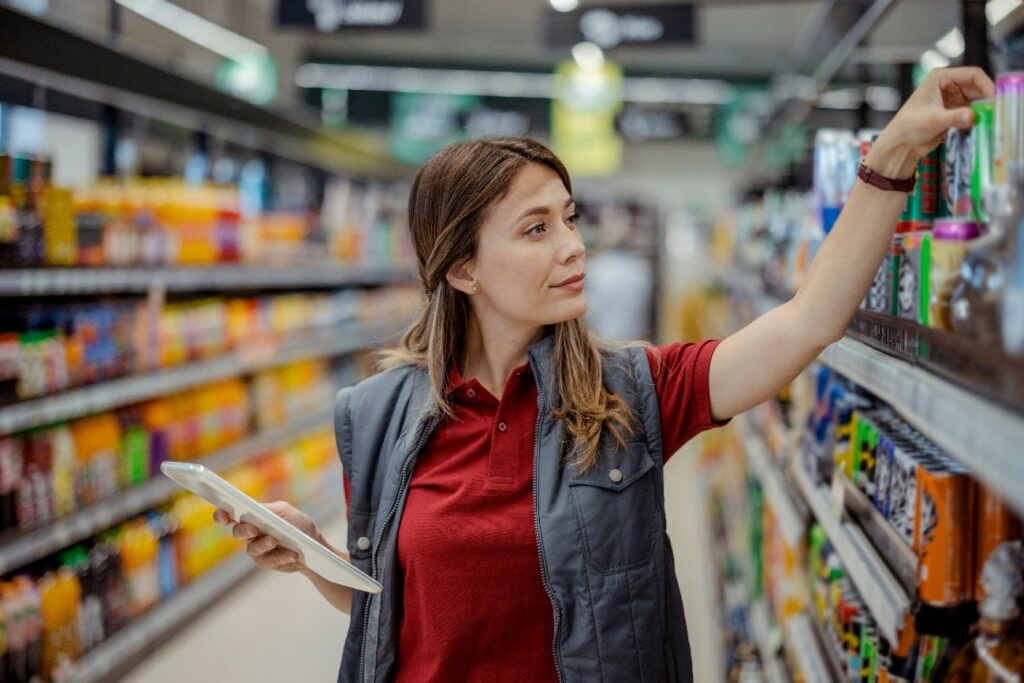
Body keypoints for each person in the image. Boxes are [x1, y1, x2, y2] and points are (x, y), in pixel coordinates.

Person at [215, 67, 995, 682]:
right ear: (460, 267)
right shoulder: (374, 415)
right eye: (536, 228)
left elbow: (809, 319)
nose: (574, 246)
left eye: (569, 218)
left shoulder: (632, 393)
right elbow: (388, 615)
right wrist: (314, 551)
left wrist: (889, 158)